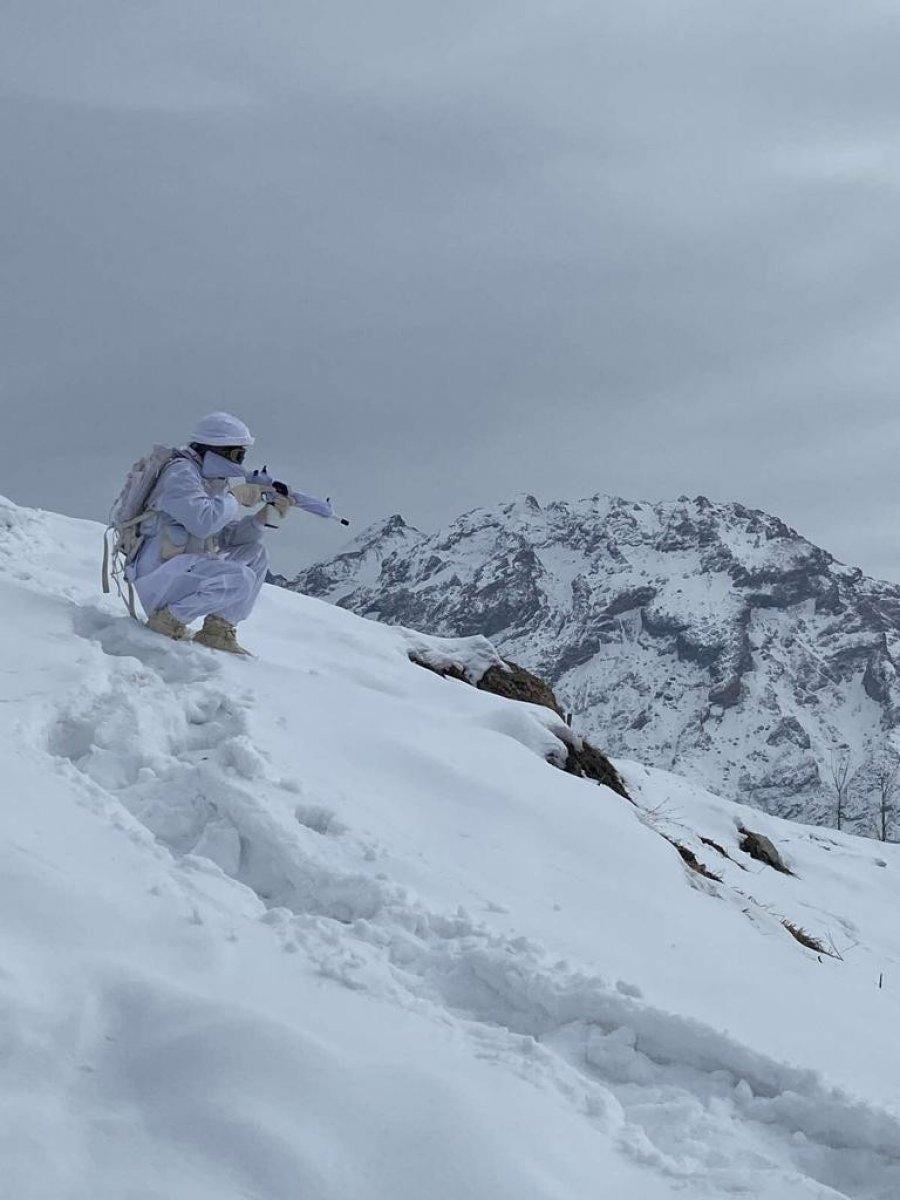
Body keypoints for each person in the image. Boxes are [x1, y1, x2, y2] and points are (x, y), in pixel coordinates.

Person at [129, 411, 294, 655]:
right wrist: (234, 497)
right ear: (217, 448)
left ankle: (217, 631)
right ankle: (168, 620)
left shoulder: (211, 480)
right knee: (240, 578)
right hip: (159, 572)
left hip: (183, 566)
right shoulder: (180, 474)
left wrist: (263, 517)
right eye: (237, 454)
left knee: (255, 554)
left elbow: (223, 536)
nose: (240, 463)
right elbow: (203, 522)